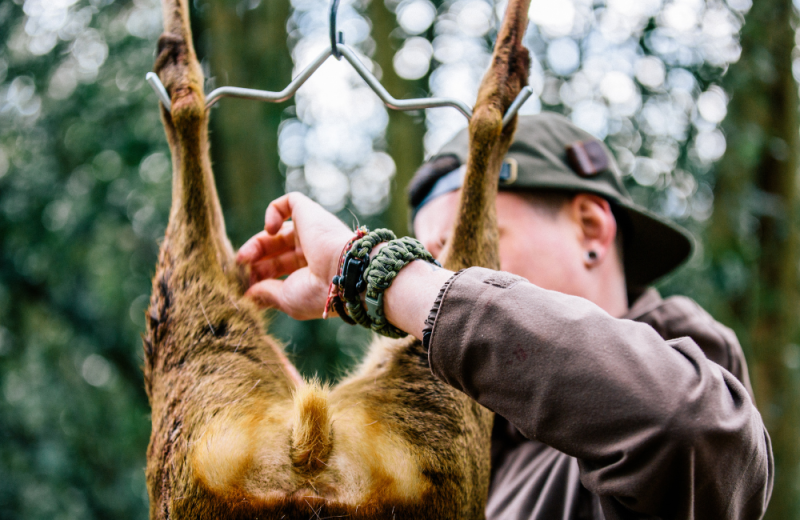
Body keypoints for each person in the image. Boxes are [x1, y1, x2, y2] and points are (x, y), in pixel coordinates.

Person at [236, 113, 773, 519]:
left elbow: (685, 428)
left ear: (591, 228)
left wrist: (369, 273)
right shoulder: (480, 454)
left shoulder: (692, 373)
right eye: (431, 258)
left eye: (469, 243)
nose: (441, 276)